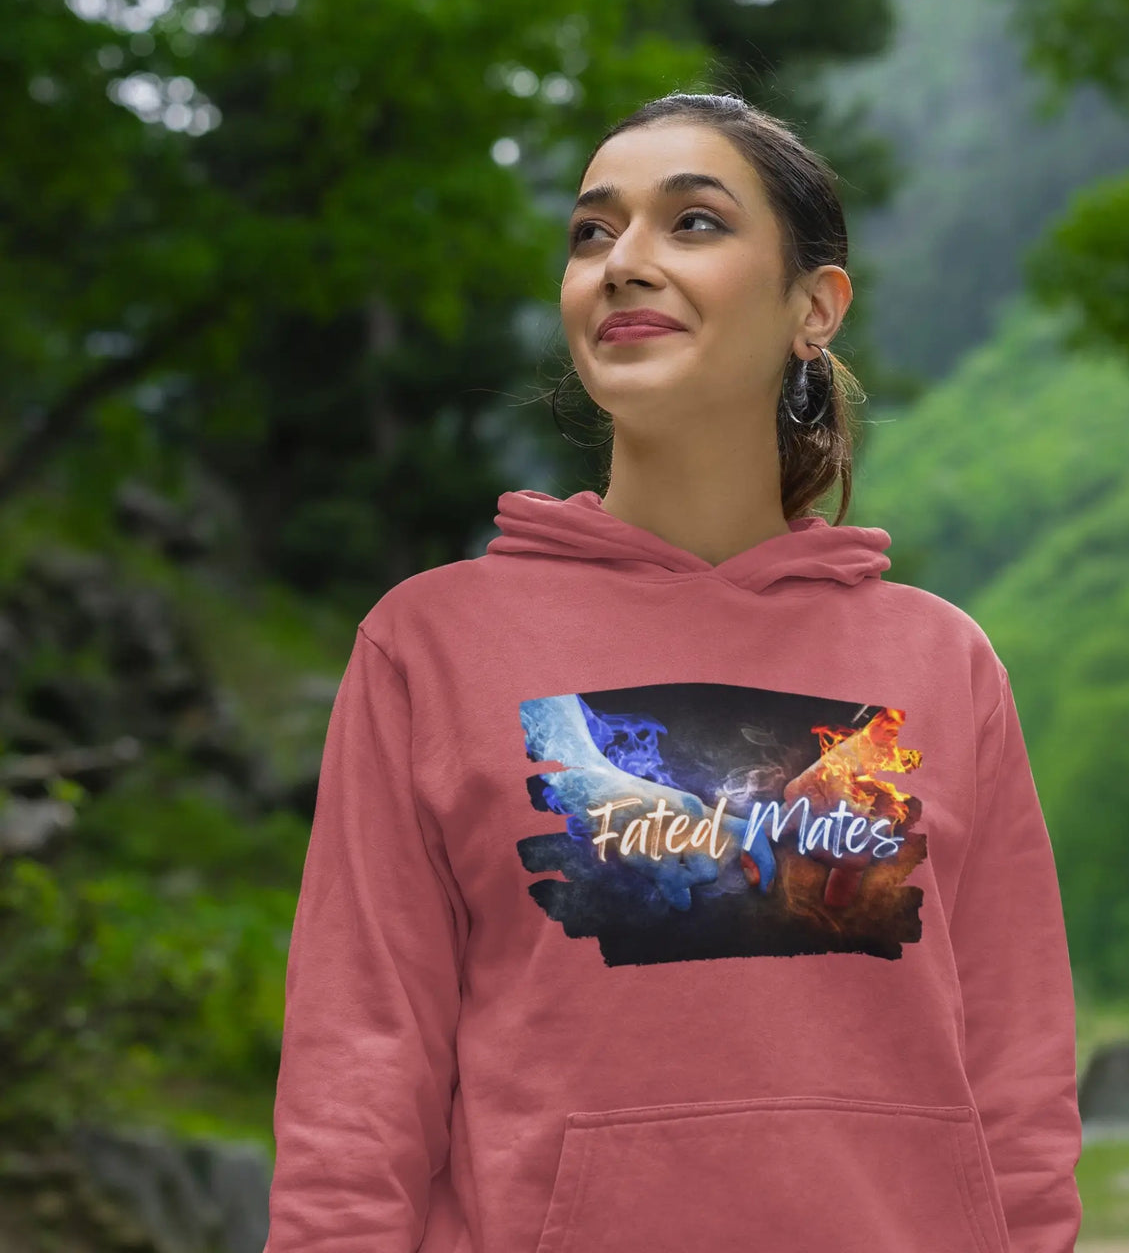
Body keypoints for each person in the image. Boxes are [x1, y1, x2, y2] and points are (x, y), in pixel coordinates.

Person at [263, 91, 1083, 1253]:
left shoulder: (939, 658)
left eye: (691, 223)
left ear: (815, 305)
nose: (622, 263)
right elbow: (359, 1074)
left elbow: (1015, 1075)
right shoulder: (430, 643)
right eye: (591, 233)